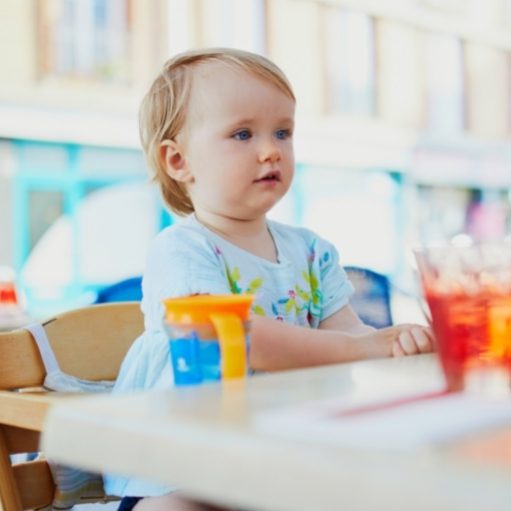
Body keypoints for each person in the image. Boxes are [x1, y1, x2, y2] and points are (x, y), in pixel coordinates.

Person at [106, 48, 433, 510]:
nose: (271, 149)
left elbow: (349, 335)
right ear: (178, 161)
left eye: (283, 131)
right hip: (180, 468)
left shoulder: (313, 251)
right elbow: (234, 339)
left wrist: (394, 343)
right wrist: (365, 347)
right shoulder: (182, 250)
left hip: (278, 457)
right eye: (243, 133)